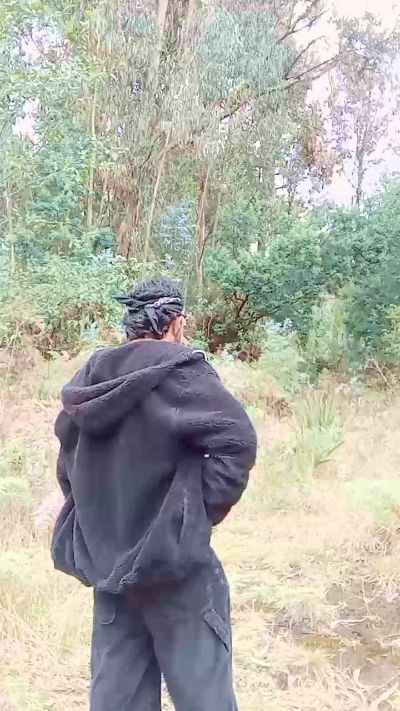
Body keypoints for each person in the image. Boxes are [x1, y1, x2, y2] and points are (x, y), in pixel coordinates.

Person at [51, 276, 257, 711]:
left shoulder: (89, 382)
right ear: (177, 322)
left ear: (130, 324)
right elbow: (237, 442)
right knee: (206, 702)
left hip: (110, 572)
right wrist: (191, 516)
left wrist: (101, 522)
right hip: (176, 573)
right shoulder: (180, 371)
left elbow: (68, 463)